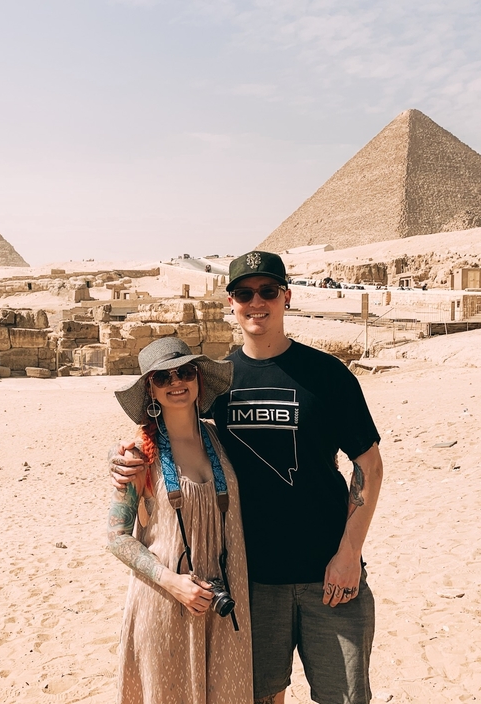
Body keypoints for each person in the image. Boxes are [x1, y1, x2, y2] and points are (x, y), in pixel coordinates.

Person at [113, 251, 383, 704]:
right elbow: (173, 434)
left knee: (346, 697)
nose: (256, 302)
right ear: (231, 302)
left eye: (268, 291)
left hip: (328, 574)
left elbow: (370, 466)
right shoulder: (216, 388)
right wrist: (122, 456)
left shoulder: (327, 375)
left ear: (286, 296)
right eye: (244, 293)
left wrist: (349, 553)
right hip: (250, 583)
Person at [108, 337, 253, 703]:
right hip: (165, 605)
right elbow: (116, 537)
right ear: (150, 390)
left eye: (185, 372)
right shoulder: (138, 455)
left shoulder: (222, 439)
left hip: (223, 608)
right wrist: (173, 583)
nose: (176, 382)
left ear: (198, 378)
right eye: (162, 377)